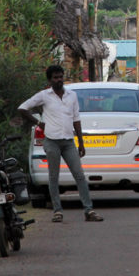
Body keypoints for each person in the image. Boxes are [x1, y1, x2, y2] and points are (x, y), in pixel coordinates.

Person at [17, 65, 104, 223]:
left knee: (79, 175)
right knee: (53, 177)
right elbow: (22, 108)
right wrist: (39, 123)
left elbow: (76, 119)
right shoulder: (44, 95)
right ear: (50, 80)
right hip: (51, 141)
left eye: (60, 76)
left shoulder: (72, 95)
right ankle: (57, 211)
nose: (59, 80)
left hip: (69, 142)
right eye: (55, 77)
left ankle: (89, 210)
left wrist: (81, 143)